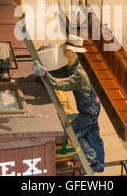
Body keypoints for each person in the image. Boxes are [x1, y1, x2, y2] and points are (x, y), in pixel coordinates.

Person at [33, 36, 105, 173]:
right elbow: (60, 74)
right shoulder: (72, 67)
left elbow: (61, 84)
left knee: (73, 132)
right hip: (93, 106)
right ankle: (99, 165)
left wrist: (44, 75)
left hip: (89, 110)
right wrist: (46, 70)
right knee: (93, 136)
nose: (63, 52)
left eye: (65, 50)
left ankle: (90, 156)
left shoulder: (79, 74)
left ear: (72, 52)